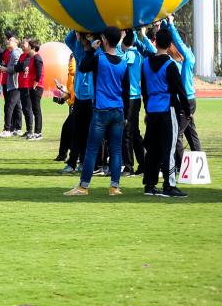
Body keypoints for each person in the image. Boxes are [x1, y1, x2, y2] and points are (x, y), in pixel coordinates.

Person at [64, 26, 129, 197]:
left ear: (105, 41)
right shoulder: (123, 62)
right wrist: (127, 115)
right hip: (118, 111)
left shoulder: (99, 59)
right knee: (115, 150)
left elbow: (83, 67)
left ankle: (83, 187)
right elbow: (126, 91)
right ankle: (114, 187)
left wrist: (91, 50)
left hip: (101, 110)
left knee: (92, 149)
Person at [140, 28, 189, 198]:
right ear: (169, 45)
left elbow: (144, 90)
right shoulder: (170, 65)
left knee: (152, 148)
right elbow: (180, 90)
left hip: (152, 110)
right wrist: (188, 111)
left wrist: (147, 108)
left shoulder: (145, 63)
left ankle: (149, 184)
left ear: (155, 42)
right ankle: (169, 185)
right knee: (168, 148)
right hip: (168, 110)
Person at [163, 15, 201, 170]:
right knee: (191, 134)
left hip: (187, 101)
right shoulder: (179, 61)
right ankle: (200, 167)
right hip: (185, 100)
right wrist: (164, 25)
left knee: (176, 135)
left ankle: (181, 167)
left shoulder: (188, 57)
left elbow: (178, 42)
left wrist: (171, 25)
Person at [62, 31, 95, 175]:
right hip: (80, 98)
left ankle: (84, 161)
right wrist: (76, 28)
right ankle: (72, 161)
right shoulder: (78, 52)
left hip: (92, 99)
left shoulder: (97, 53)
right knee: (77, 131)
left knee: (88, 132)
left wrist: (92, 39)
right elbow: (68, 39)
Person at [122, 29, 154, 175]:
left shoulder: (130, 54)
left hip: (131, 98)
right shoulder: (137, 53)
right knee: (134, 133)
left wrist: (120, 39)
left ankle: (129, 167)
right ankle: (143, 164)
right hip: (134, 98)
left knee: (127, 133)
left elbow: (118, 60)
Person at [0, 36, 22, 137]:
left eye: (10, 40)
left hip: (15, 84)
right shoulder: (14, 52)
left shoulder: (16, 53)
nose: (8, 41)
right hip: (15, 83)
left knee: (9, 106)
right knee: (17, 106)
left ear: (16, 42)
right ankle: (18, 128)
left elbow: (17, 68)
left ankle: (7, 129)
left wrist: (6, 69)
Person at [22, 39, 44, 140]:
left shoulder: (37, 58)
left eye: (29, 46)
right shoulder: (32, 58)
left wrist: (35, 85)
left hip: (37, 87)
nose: (28, 48)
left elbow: (39, 73)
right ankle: (35, 132)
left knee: (36, 110)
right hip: (32, 86)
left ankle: (38, 133)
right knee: (34, 110)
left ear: (33, 48)